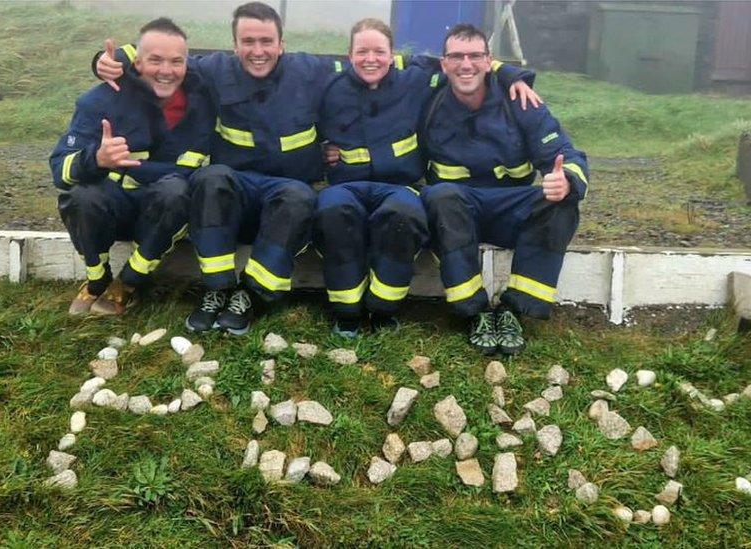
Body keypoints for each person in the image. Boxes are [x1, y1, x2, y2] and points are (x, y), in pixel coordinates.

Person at [94, 2, 328, 335]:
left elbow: (370, 64)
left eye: (266, 41)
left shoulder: (310, 69)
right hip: (236, 189)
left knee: (296, 197)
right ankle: (217, 289)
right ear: (234, 45)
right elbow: (162, 59)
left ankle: (250, 295)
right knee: (210, 177)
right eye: (248, 41)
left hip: (290, 188)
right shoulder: (215, 69)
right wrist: (109, 60)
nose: (257, 51)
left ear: (281, 44)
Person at [316, 19, 539, 337]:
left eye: (379, 51)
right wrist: (320, 151)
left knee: (404, 215)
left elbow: (461, 63)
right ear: (348, 54)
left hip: (400, 186)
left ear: (392, 54)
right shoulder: (328, 83)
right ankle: (346, 311)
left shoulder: (416, 79)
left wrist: (510, 73)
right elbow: (296, 117)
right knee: (333, 211)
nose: (371, 59)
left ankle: (383, 309)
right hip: (345, 185)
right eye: (362, 51)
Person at [420, 23, 588, 355]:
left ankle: (514, 310)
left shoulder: (520, 101)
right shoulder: (427, 97)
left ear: (488, 61)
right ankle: (475, 311)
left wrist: (565, 178)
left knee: (561, 203)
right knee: (441, 195)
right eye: (456, 56)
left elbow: (565, 152)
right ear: (443, 63)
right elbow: (393, 67)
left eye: (475, 56)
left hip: (510, 208)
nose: (465, 65)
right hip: (453, 212)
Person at [49, 18, 213, 316]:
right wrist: (95, 159)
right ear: (137, 63)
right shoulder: (99, 99)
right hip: (114, 207)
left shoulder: (203, 99)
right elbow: (59, 168)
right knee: (82, 196)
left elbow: (247, 59)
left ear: (188, 64)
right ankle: (97, 281)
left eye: (177, 61)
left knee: (176, 191)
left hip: (168, 212)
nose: (166, 70)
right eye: (155, 60)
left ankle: (129, 283)